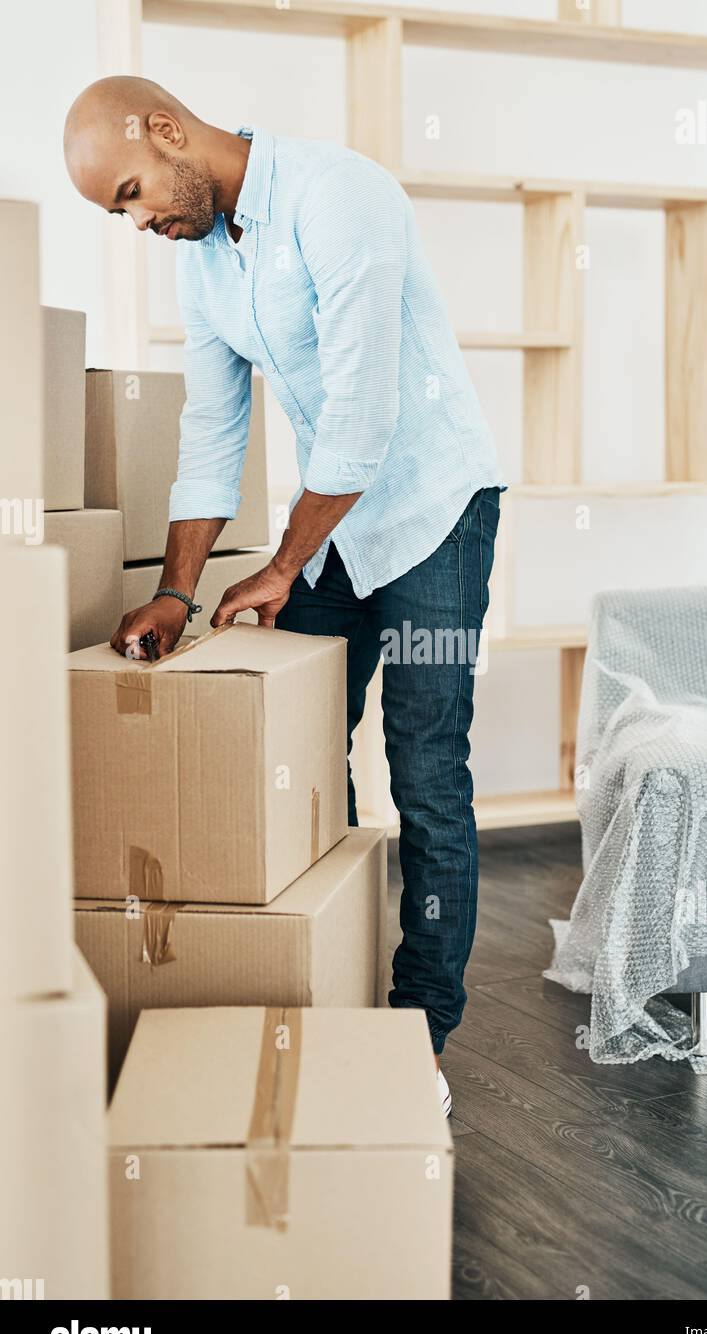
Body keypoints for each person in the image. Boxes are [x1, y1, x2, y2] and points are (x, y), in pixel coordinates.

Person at [64, 76, 506, 1116]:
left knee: (427, 770)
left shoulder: (340, 196)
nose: (140, 222)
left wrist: (273, 567)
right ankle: (335, 984)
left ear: (167, 132)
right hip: (334, 529)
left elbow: (361, 413)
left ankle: (419, 1035)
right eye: (120, 214)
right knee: (306, 757)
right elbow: (214, 432)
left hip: (435, 508)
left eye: (130, 193)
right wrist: (178, 591)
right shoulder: (204, 258)